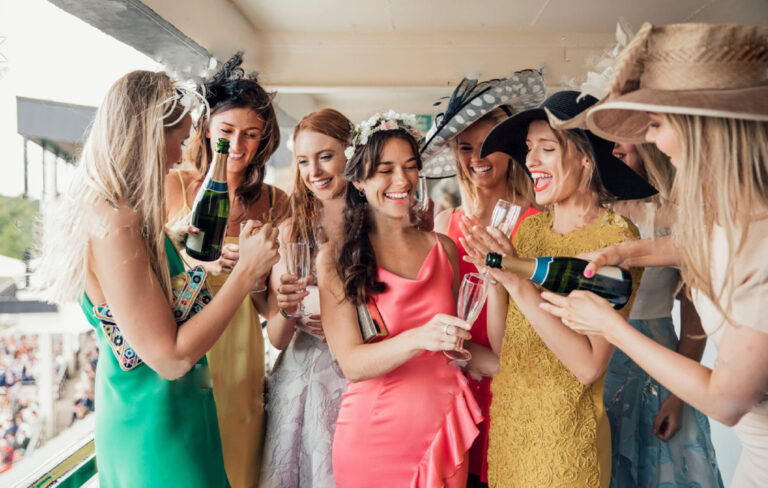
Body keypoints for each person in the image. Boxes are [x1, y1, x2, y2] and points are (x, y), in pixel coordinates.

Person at [539, 22, 768, 487]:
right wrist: (629, 251)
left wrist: (611, 328)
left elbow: (725, 402)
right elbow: (702, 246)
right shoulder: (737, 215)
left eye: (658, 125)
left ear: (704, 128)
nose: (655, 142)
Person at [37, 70, 280, 487]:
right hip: (157, 428)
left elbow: (153, 313)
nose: (181, 154)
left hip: (168, 413)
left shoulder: (123, 214)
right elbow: (170, 358)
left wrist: (188, 254)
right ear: (150, 134)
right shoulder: (116, 223)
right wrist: (246, 273)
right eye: (181, 140)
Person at [461, 90, 655, 487]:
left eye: (546, 148)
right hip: (511, 433)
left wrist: (518, 281)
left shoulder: (615, 238)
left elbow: (588, 366)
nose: (530, 161)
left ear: (586, 158)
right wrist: (495, 276)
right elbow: (505, 347)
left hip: (564, 444)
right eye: (529, 149)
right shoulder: (529, 229)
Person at [317, 111, 482, 487]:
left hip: (445, 429)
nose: (401, 180)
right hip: (374, 438)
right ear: (358, 179)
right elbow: (352, 364)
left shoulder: (445, 249)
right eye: (385, 169)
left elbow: (463, 345)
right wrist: (419, 338)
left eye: (409, 167)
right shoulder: (336, 257)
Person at [165, 53, 288, 487]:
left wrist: (278, 292)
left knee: (239, 465)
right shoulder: (173, 185)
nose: (237, 146)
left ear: (263, 141)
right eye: (227, 131)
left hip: (243, 350)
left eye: (250, 135)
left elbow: (271, 305)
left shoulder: (276, 203)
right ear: (206, 130)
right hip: (185, 345)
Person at [423, 73, 546, 487]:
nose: (477, 157)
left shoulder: (535, 228)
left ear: (511, 152)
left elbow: (535, 331)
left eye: (489, 146)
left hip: (511, 388)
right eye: (466, 147)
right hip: (453, 390)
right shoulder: (445, 223)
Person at [606, 143, 723, 487]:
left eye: (622, 137)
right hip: (600, 367)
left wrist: (678, 397)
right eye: (604, 136)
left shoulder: (677, 215)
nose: (613, 146)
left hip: (658, 375)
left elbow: (693, 318)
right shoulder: (593, 212)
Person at [259, 108, 352, 488]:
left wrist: (348, 323)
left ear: (351, 152)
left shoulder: (380, 225)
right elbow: (278, 338)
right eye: (303, 161)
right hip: (299, 386)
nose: (314, 171)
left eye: (325, 156)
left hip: (358, 382)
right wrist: (286, 308)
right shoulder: (287, 232)